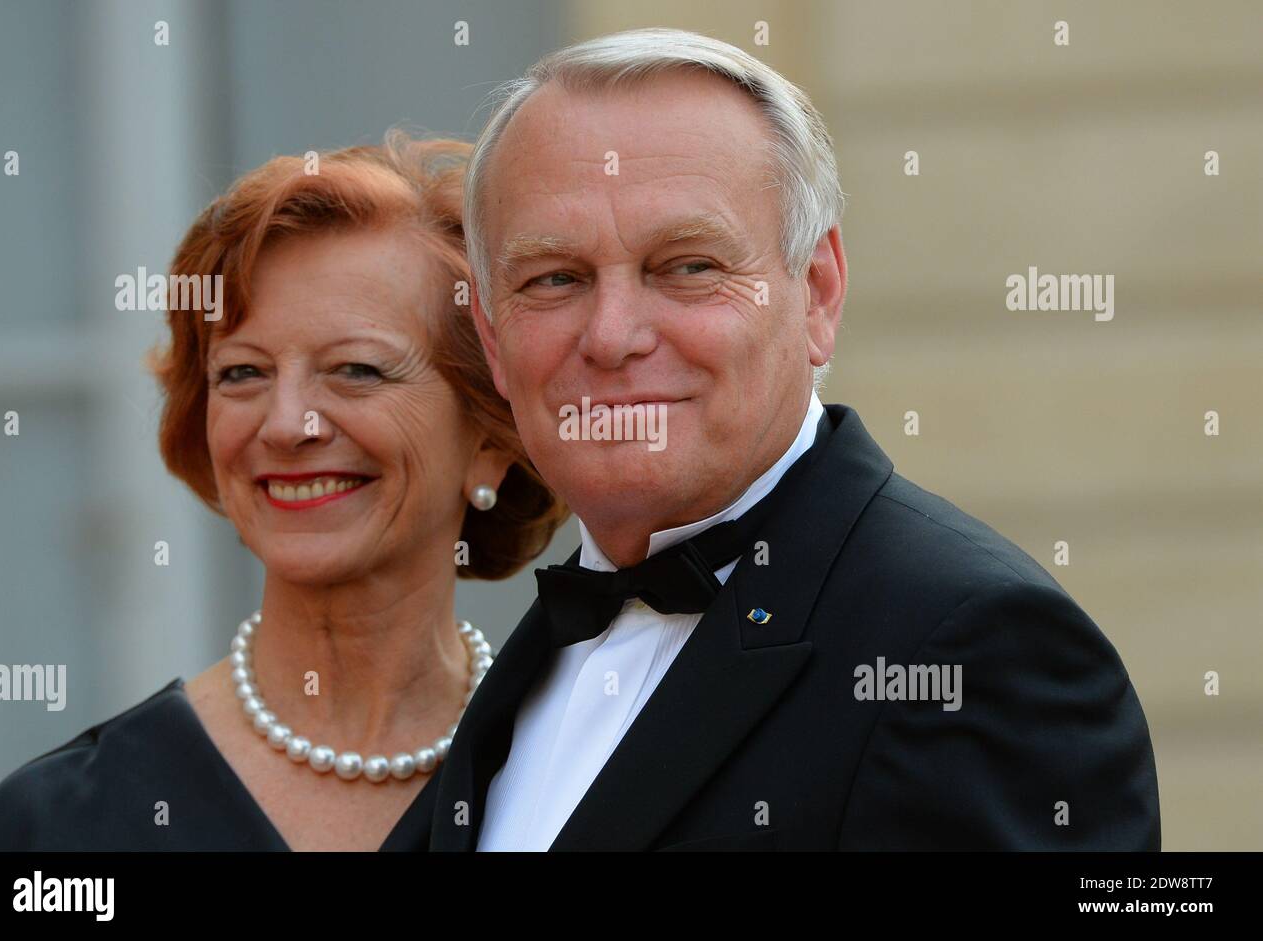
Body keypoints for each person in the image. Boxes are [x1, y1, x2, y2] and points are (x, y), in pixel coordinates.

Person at [429, 28, 1160, 851]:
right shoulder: (520, 675)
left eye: (687, 266)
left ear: (816, 293)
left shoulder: (975, 650)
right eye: (554, 278)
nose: (612, 335)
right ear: (493, 338)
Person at [0, 131, 565, 851]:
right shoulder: (55, 827)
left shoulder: (579, 780)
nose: (286, 424)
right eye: (243, 373)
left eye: (357, 370)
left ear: (492, 439)